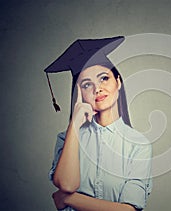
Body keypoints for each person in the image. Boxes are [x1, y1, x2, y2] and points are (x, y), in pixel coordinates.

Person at [45, 36, 152, 211]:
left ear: (118, 82)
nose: (97, 89)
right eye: (87, 85)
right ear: (79, 94)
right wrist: (74, 125)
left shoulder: (138, 144)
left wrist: (69, 199)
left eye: (104, 78)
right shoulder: (66, 139)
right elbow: (66, 184)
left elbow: (128, 210)